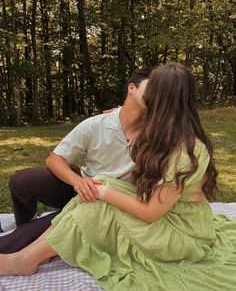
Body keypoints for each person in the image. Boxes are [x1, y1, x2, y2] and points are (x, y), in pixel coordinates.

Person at [1, 63, 236, 291]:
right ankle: (28, 256)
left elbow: (151, 213)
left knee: (97, 198)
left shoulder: (185, 149)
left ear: (161, 100)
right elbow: (55, 158)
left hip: (181, 231)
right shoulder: (160, 131)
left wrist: (102, 192)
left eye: (153, 89)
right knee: (90, 188)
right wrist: (120, 115)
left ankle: (24, 258)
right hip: (130, 201)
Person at [0, 68, 151, 254]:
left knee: (31, 235)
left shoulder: (158, 132)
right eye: (152, 88)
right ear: (131, 88)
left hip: (110, 203)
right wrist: (78, 182)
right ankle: (25, 224)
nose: (157, 95)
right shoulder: (98, 123)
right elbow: (55, 158)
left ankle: (26, 237)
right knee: (21, 180)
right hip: (82, 185)